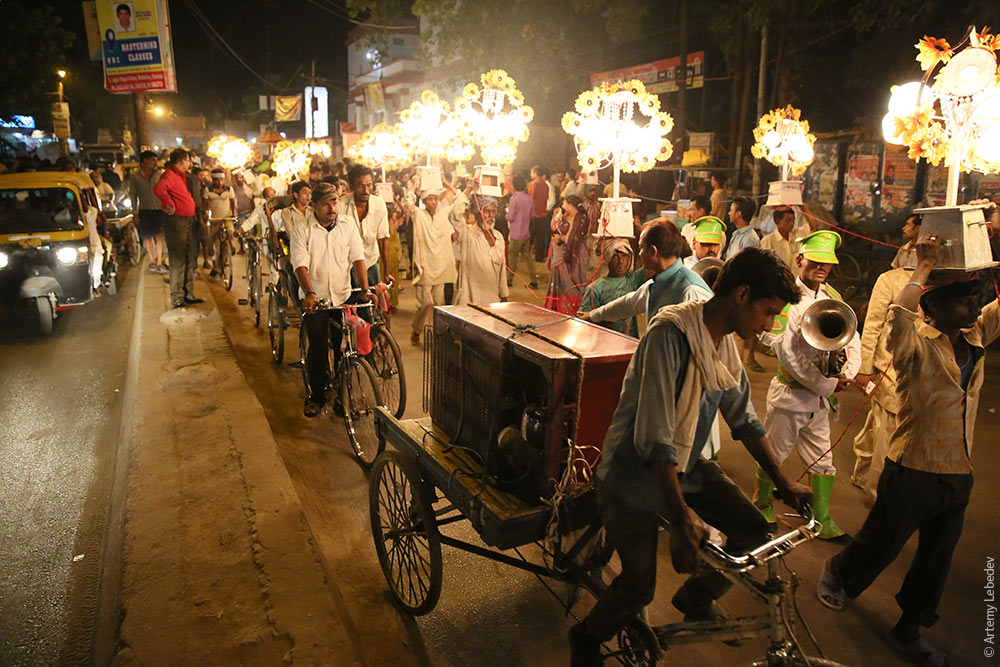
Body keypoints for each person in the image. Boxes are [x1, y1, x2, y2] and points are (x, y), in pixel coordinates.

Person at [570, 247, 811, 666]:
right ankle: (586, 636)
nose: (768, 325)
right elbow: (655, 436)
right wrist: (681, 520)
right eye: (767, 312)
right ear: (742, 294)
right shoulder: (670, 334)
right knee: (638, 587)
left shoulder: (723, 344)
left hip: (686, 465)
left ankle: (695, 596)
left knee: (754, 530)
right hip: (631, 475)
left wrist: (782, 480)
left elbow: (745, 419)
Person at [817, 236, 998, 667]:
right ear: (933, 307)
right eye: (964, 302)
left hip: (958, 470)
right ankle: (838, 572)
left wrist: (988, 262)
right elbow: (897, 316)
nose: (974, 309)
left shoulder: (974, 339)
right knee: (883, 543)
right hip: (912, 464)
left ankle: (910, 627)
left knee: (937, 557)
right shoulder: (914, 342)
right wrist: (923, 267)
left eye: (976, 301)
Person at [753, 231, 860, 542]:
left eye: (826, 264)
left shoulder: (835, 299)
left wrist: (849, 373)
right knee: (775, 453)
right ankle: (762, 506)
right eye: (815, 262)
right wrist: (827, 384)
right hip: (792, 396)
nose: (821, 268)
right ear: (800, 259)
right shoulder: (787, 298)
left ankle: (821, 518)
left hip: (820, 401)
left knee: (823, 459)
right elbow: (787, 353)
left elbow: (853, 339)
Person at [291, 182, 377, 417]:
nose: (332, 207)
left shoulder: (348, 226)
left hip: (342, 295)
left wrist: (366, 289)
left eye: (335, 201)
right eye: (326, 203)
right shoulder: (302, 230)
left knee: (345, 347)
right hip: (316, 299)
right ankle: (317, 396)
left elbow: (358, 258)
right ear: (315, 205)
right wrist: (309, 293)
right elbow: (300, 264)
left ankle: (343, 396)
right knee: (318, 346)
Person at [849, 266, 914, 503]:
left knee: (878, 424)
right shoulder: (891, 279)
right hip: (890, 370)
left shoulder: (944, 280)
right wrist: (864, 368)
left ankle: (861, 473)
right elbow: (873, 323)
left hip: (919, 373)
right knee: (887, 435)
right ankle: (878, 495)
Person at [578, 221, 710, 327]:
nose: (639, 254)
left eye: (641, 248)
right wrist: (592, 315)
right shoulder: (658, 283)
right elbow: (627, 304)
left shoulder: (691, 291)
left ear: (653, 251)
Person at [405, 174, 464, 345]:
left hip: (441, 266)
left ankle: (437, 336)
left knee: (438, 303)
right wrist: (414, 186)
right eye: (429, 199)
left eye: (434, 199)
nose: (433, 202)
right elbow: (409, 202)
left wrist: (448, 183)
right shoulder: (418, 214)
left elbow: (458, 204)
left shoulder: (444, 214)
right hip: (425, 267)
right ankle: (416, 329)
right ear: (424, 201)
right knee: (425, 303)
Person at [153, 149, 202, 309]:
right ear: (182, 160)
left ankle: (187, 293)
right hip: (176, 222)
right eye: (188, 160)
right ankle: (177, 298)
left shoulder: (181, 176)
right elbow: (159, 189)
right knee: (178, 261)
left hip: (187, 220)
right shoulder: (169, 175)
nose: (190, 164)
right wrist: (169, 204)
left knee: (188, 258)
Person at [578, 239, 643, 336]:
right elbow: (583, 321)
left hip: (629, 342)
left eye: (624, 255)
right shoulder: (595, 288)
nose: (621, 261)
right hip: (604, 343)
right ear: (607, 259)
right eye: (615, 256)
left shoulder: (633, 280)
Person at [339, 164, 390, 288]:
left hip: (371, 263)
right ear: (352, 186)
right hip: (348, 265)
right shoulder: (341, 206)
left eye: (369, 185)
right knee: (352, 303)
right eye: (361, 186)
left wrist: (387, 272)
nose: (366, 191)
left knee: (375, 302)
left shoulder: (379, 204)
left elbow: (383, 240)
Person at [455, 195, 509, 305]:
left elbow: (502, 271)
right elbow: (454, 215)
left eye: (493, 212)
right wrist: (469, 188)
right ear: (478, 213)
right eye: (486, 211)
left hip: (492, 298)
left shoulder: (498, 237)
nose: (490, 216)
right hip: (470, 299)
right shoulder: (468, 234)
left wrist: (504, 295)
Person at [544, 194, 589, 314]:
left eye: (564, 203)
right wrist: (555, 216)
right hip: (558, 255)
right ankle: (556, 308)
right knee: (558, 283)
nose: (562, 205)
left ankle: (571, 310)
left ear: (570, 205)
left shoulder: (579, 219)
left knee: (569, 283)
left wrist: (560, 238)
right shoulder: (566, 216)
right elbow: (554, 228)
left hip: (569, 256)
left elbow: (572, 239)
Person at [129, 150, 167, 274]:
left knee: (159, 236)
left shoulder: (160, 175)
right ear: (145, 161)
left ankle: (159, 261)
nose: (155, 163)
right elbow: (133, 195)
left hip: (159, 209)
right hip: (144, 210)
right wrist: (135, 212)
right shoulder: (135, 177)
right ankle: (151, 261)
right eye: (153, 160)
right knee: (147, 237)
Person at [202, 169, 236, 276]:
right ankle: (216, 266)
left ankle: (232, 246)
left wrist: (234, 213)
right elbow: (205, 204)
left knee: (230, 232)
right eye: (217, 180)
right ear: (213, 180)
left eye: (221, 179)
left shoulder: (229, 189)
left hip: (227, 217)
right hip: (215, 220)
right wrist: (207, 214)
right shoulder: (208, 190)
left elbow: (233, 203)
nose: (220, 182)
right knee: (215, 245)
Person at [506, 175, 537, 288]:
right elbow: (533, 215)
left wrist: (506, 215)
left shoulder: (514, 198)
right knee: (527, 257)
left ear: (514, 186)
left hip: (516, 234)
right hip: (526, 233)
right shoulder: (529, 199)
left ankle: (509, 280)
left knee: (512, 256)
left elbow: (510, 217)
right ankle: (533, 280)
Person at [760, 206, 799, 271]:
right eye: (788, 220)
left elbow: (814, 225)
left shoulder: (796, 236)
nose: (792, 223)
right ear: (777, 221)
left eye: (793, 220)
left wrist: (801, 205)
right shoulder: (768, 241)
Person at [723, 197, 760, 261]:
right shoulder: (736, 234)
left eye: (731, 210)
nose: (729, 213)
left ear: (738, 214)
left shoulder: (750, 239)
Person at [527, 166, 550, 262]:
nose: (531, 175)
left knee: (529, 236)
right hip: (543, 214)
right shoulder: (545, 185)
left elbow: (530, 199)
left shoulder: (533, 184)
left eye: (532, 173)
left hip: (534, 214)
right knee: (540, 238)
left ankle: (526, 255)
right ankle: (539, 257)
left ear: (535, 173)